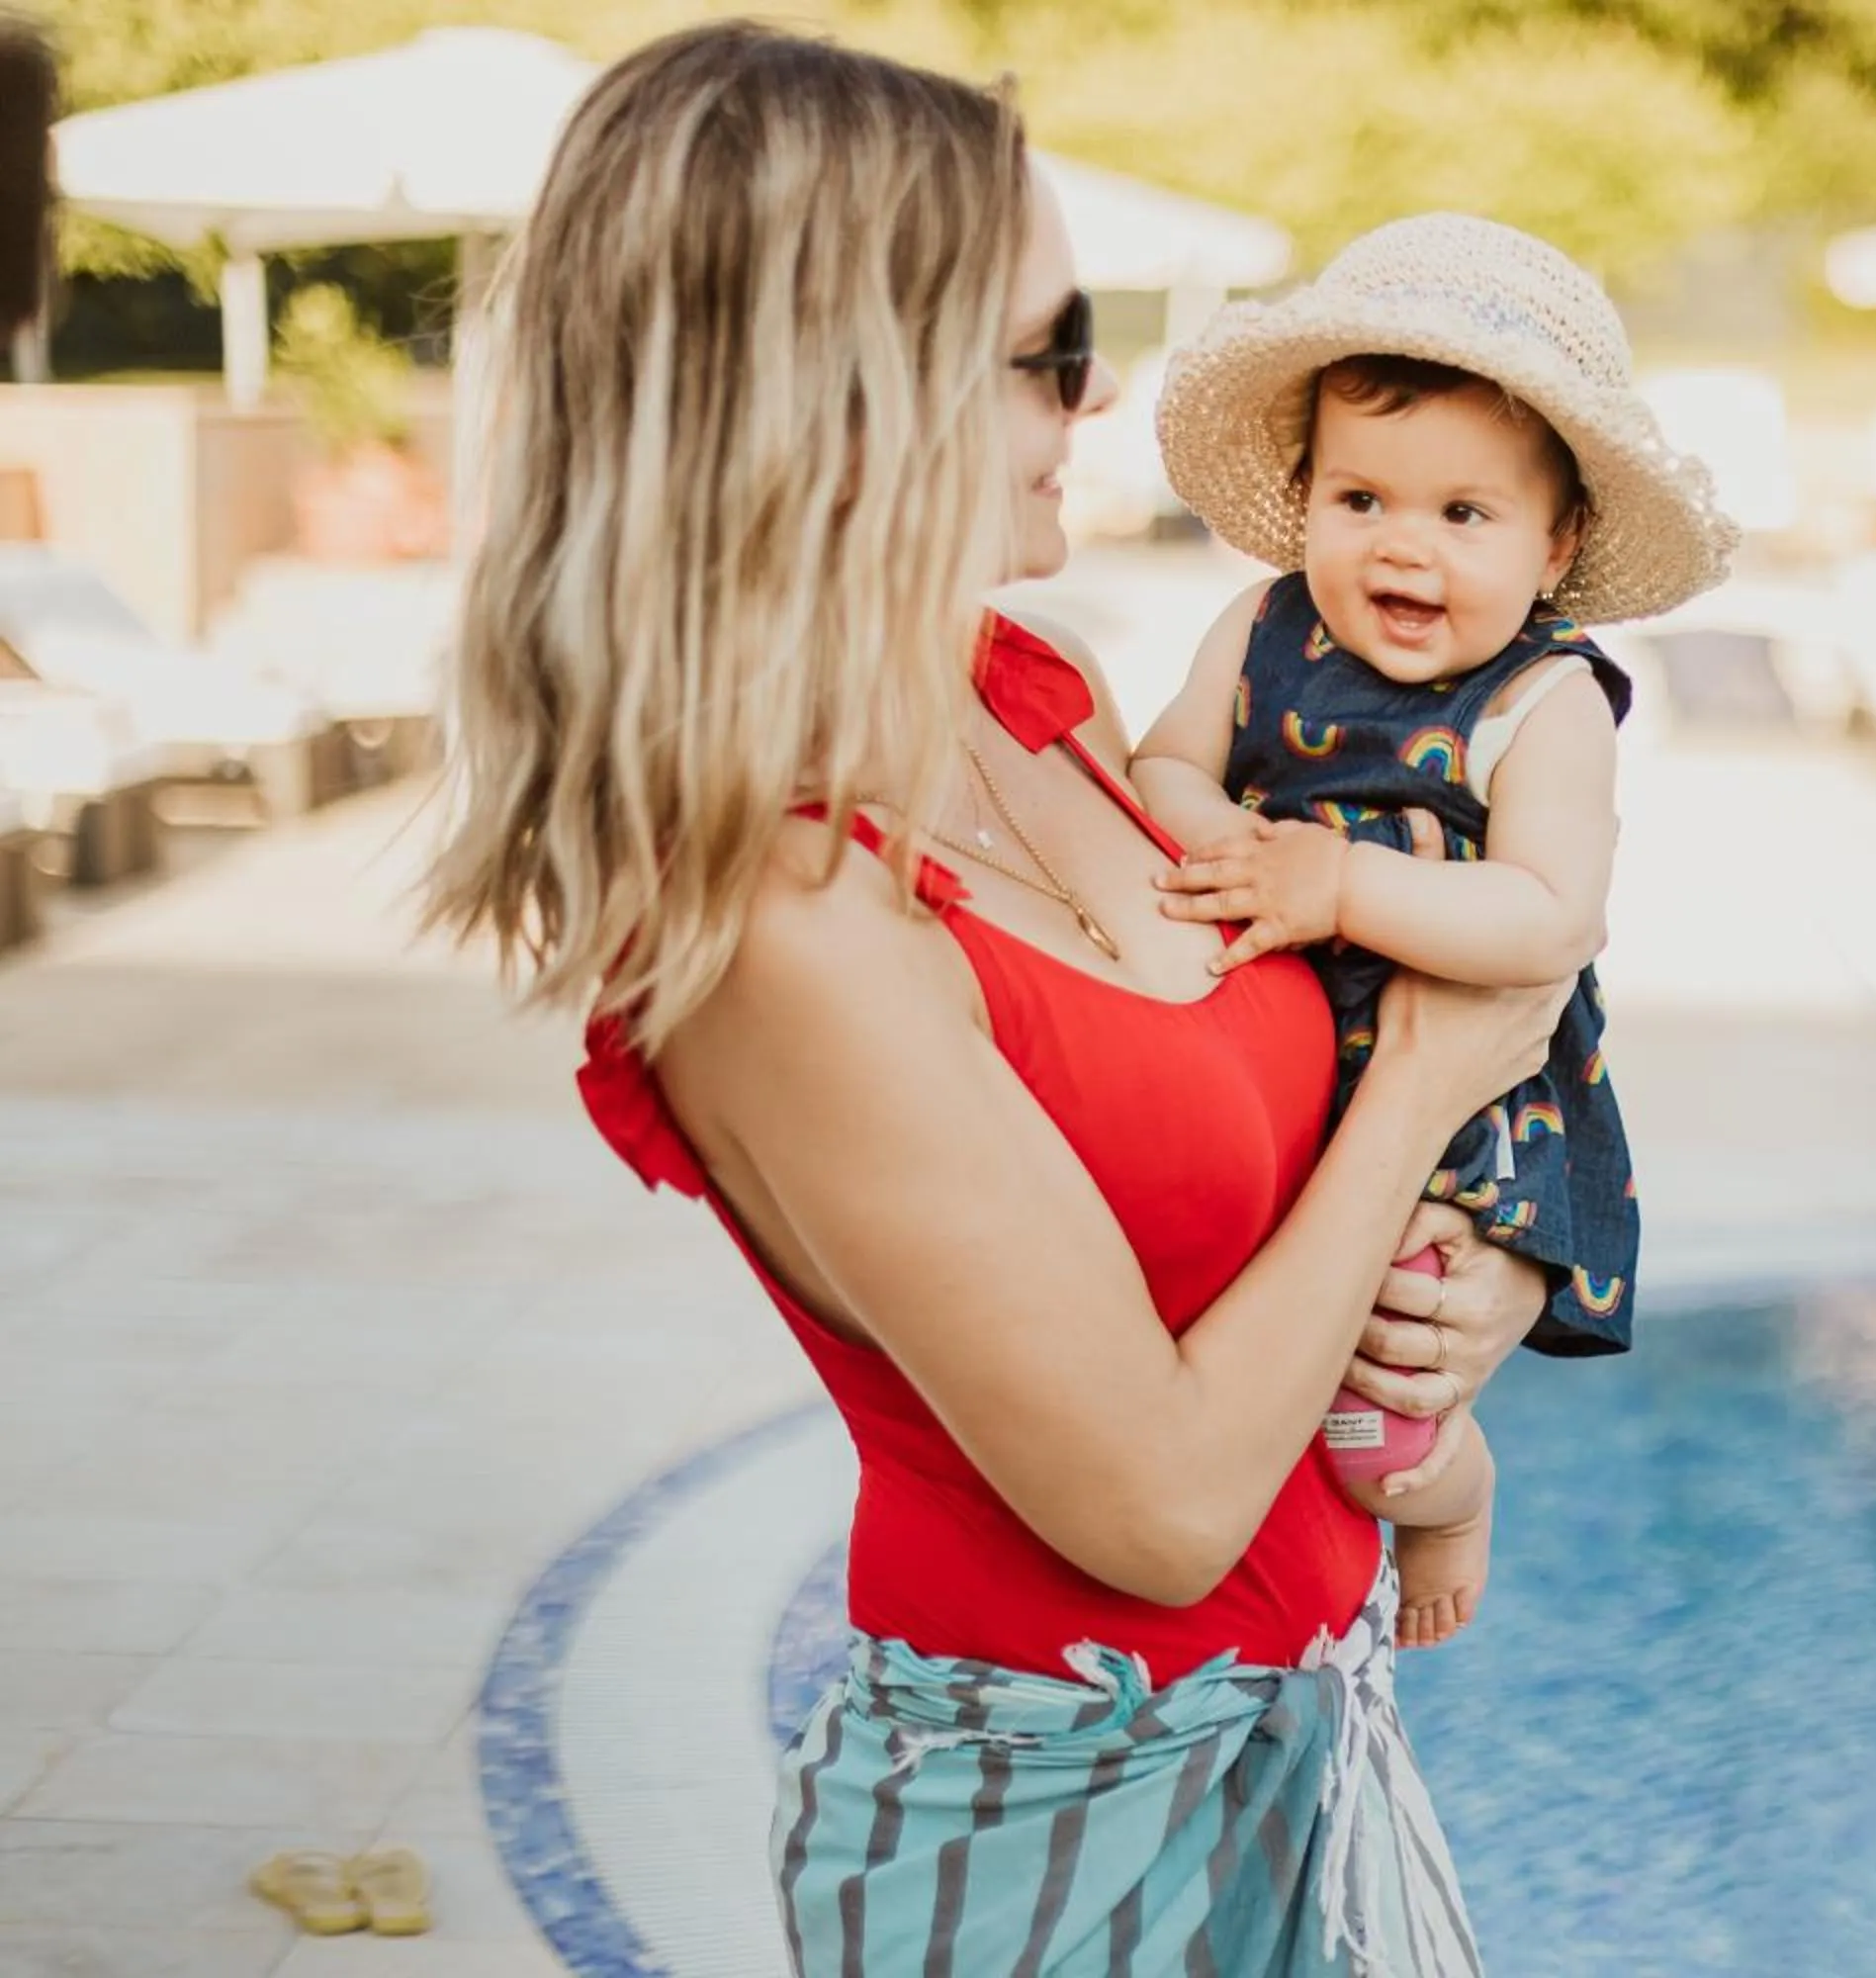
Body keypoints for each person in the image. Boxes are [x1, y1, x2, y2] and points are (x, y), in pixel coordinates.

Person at [421, 24, 1571, 1973]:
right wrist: (1429, 1086)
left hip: (1311, 1719)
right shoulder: (778, 915)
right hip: (1058, 1816)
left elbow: (1251, 1196)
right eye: (1050, 349)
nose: (1092, 391)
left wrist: (1462, 1306)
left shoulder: (1034, 699)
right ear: (840, 391)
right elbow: (1160, 1506)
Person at [1131, 215, 1736, 1648]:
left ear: (1558, 539)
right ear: (1305, 496)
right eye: (1362, 500)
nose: (1403, 547)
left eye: (1464, 516)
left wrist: (1335, 889)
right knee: (1228, 1335)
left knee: (1376, 1408)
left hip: (1469, 1101)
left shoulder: (1546, 705)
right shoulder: (1264, 626)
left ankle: (1451, 1496)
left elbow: (1546, 915)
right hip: (1282, 1044)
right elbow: (1164, 767)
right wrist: (1245, 854)